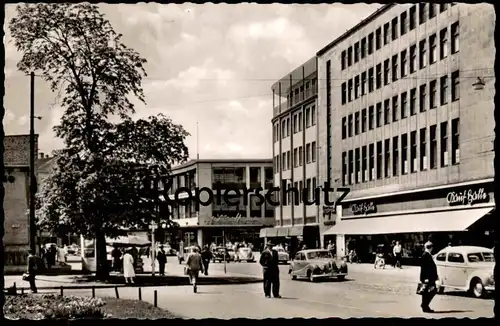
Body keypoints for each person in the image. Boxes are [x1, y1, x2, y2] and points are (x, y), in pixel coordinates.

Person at [419, 241, 439, 313]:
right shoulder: (425, 255)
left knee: (427, 292)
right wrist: (425, 278)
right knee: (430, 292)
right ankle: (425, 305)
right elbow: (424, 268)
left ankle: (425, 306)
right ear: (430, 248)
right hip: (428, 278)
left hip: (430, 277)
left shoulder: (427, 254)